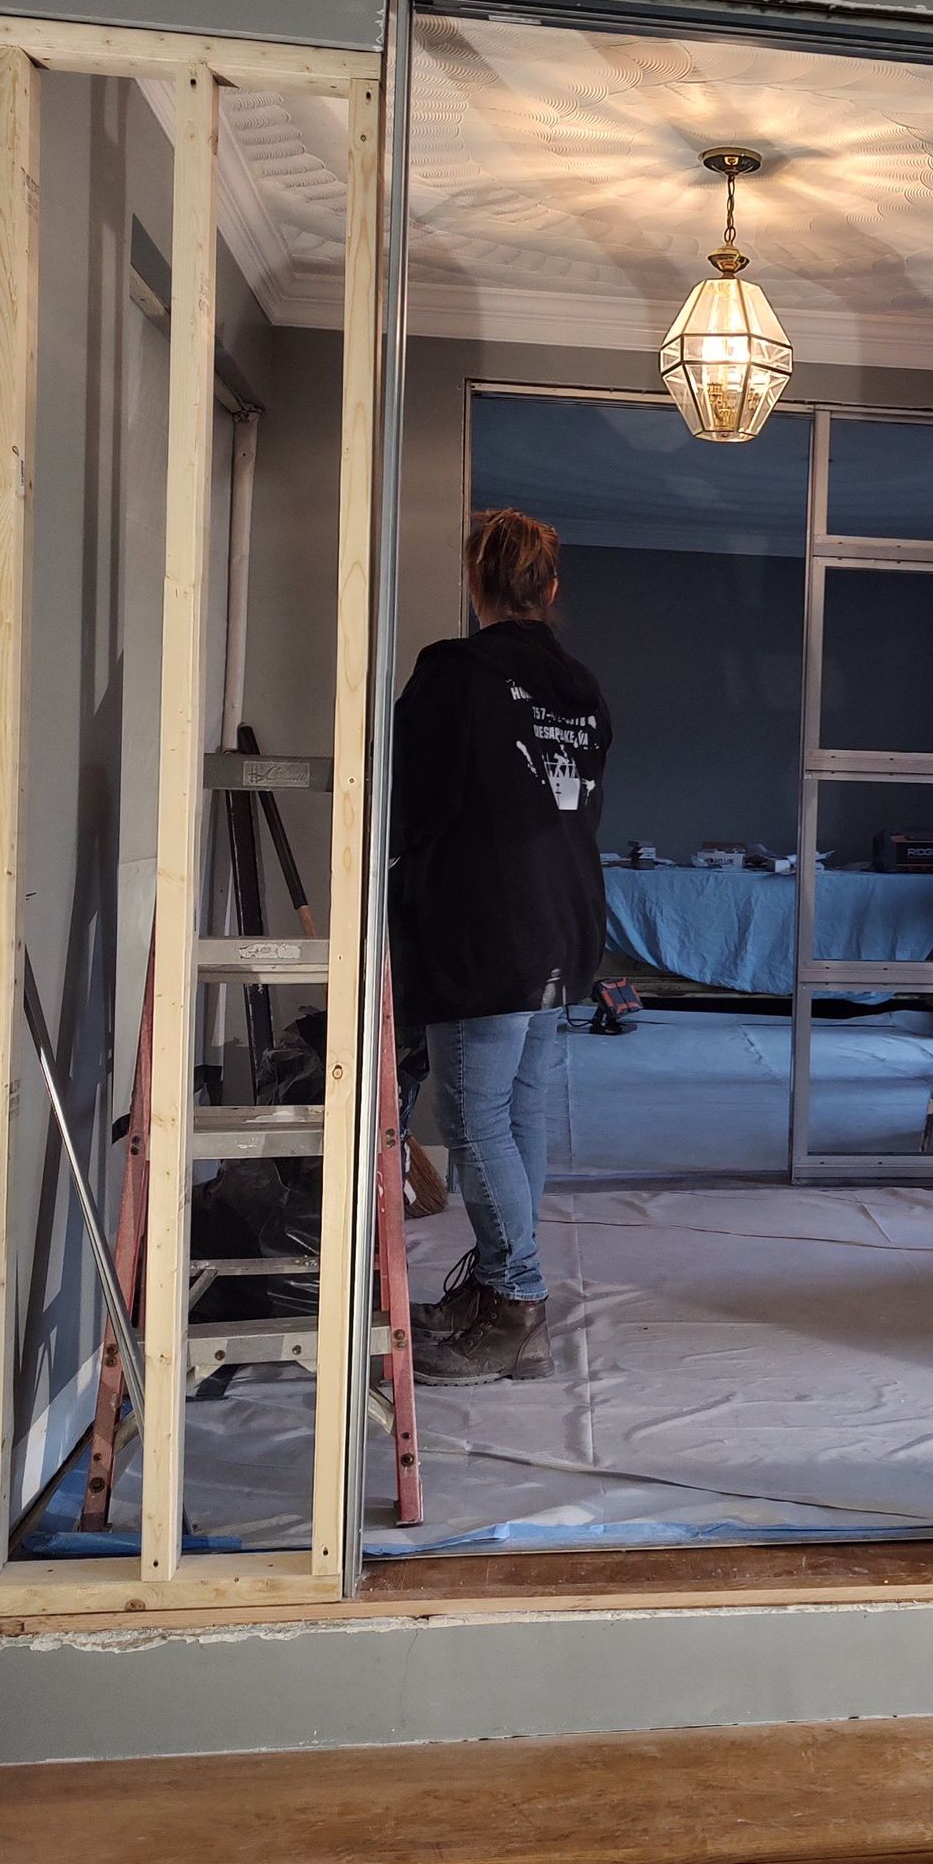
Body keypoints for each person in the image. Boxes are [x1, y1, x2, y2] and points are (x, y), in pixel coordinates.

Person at [390, 508, 611, 1383]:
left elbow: (410, 804)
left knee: (474, 1119)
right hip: (565, 918)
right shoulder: (584, 687)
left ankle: (516, 1297)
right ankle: (492, 1286)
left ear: (475, 585)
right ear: (551, 591)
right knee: (517, 1111)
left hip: (486, 924)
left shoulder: (457, 673)